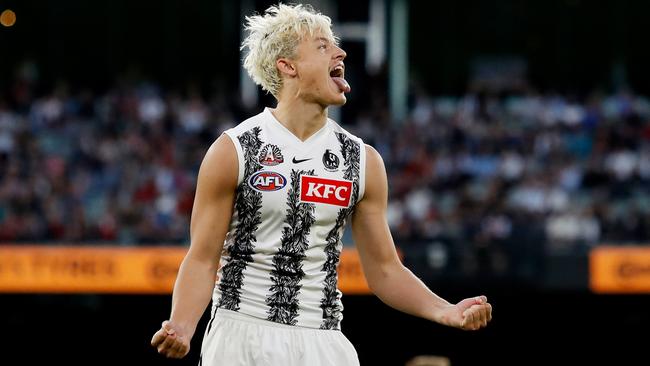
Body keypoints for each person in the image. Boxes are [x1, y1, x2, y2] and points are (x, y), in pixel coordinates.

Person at [151, 4, 492, 365]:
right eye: (322, 46)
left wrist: (446, 311)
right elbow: (202, 260)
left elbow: (385, 270)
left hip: (323, 338)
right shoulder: (233, 150)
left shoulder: (363, 160)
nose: (340, 52)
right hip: (241, 333)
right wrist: (183, 327)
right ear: (288, 66)